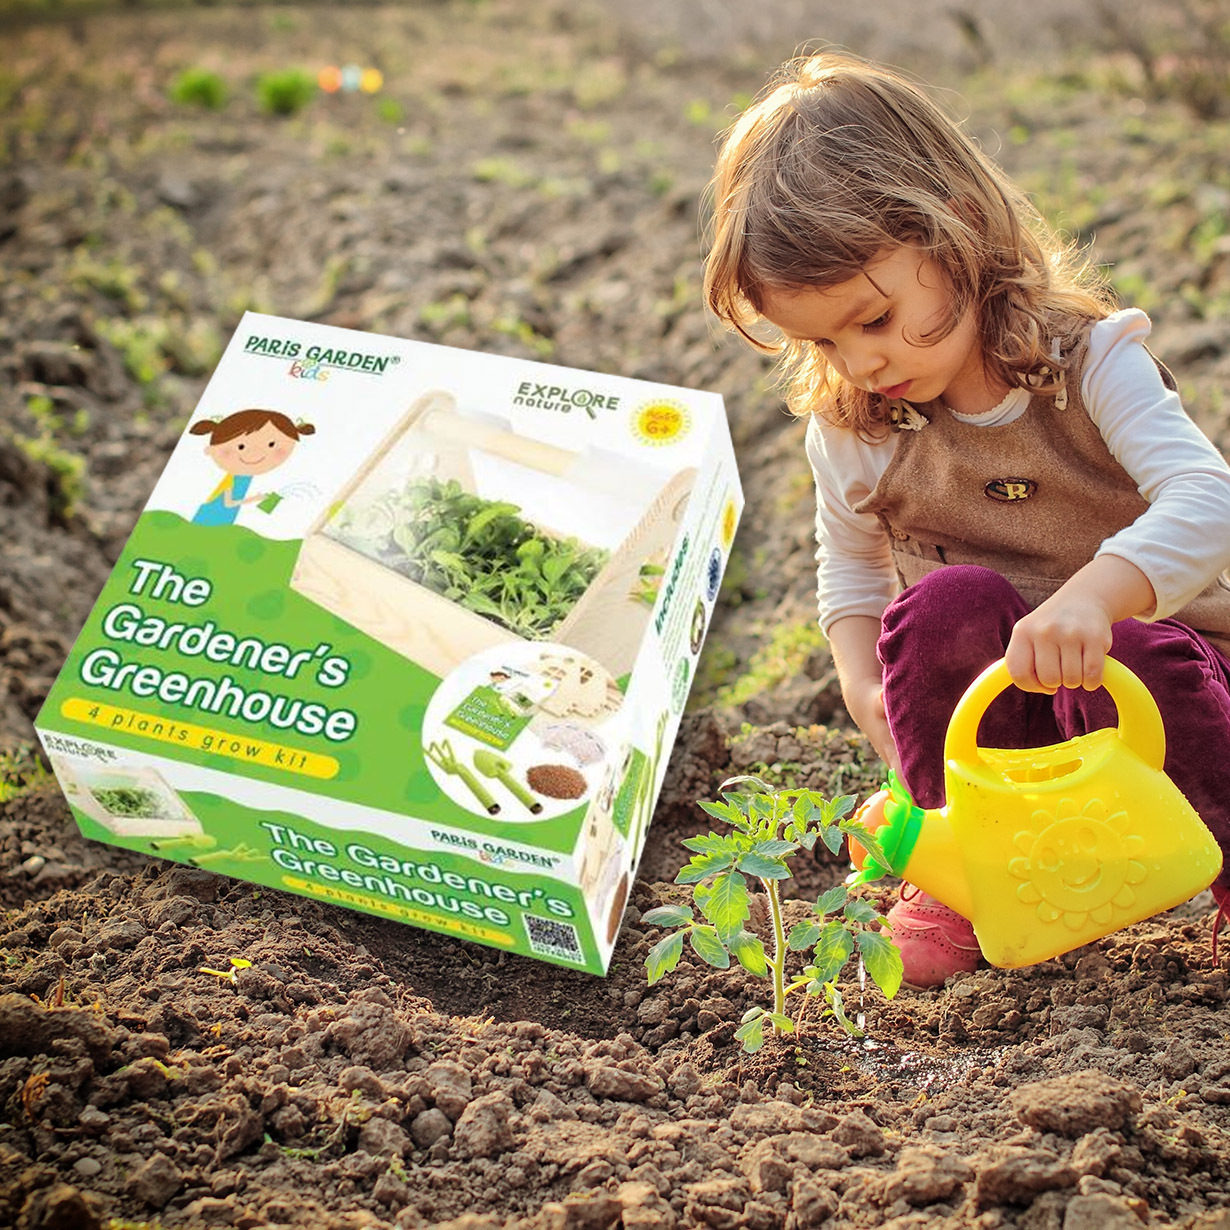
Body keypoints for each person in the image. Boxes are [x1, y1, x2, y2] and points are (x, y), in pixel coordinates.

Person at [703, 51, 1230, 987]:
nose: (859, 361)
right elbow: (854, 572)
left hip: (1171, 683)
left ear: (958, 236)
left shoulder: (1093, 366)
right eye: (822, 340)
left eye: (874, 318)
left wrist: (1097, 600)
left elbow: (1208, 500)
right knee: (943, 606)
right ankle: (961, 867)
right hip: (1004, 710)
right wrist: (867, 690)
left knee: (1145, 649)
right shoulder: (861, 428)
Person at [189, 409, 315, 526]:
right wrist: (255, 499)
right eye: (241, 447)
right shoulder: (233, 478)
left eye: (271, 445)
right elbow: (228, 503)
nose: (255, 453)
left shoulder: (245, 477)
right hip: (214, 515)